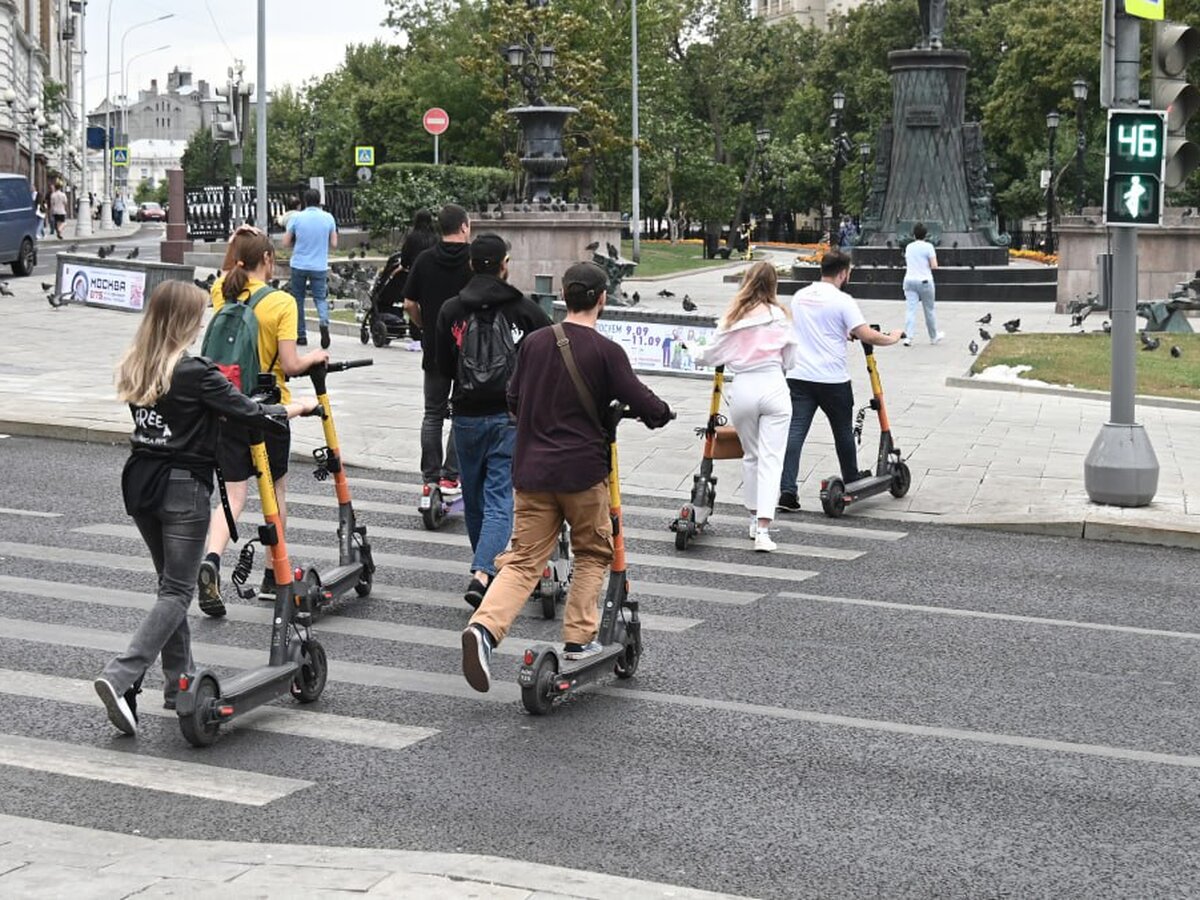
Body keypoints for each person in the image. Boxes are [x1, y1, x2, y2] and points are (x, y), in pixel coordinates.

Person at [94, 281, 315, 735]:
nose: (201, 322)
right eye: (196, 315)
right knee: (177, 592)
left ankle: (179, 684)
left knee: (168, 587)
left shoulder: (140, 363)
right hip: (181, 487)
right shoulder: (194, 370)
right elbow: (249, 412)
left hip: (140, 481)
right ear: (181, 322)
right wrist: (298, 409)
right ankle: (120, 676)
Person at [460, 261, 673, 693]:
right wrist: (661, 413)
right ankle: (578, 640)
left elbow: (513, 399)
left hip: (532, 471)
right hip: (582, 473)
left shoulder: (536, 343)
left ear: (564, 296)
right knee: (594, 552)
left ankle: (483, 630)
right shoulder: (606, 351)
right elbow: (643, 400)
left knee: (522, 562)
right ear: (601, 299)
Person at [196, 227, 330, 618]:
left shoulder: (224, 291)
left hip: (228, 405)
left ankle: (212, 561)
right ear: (268, 260)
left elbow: (225, 271)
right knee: (276, 491)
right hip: (270, 410)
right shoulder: (282, 303)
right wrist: (315, 358)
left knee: (233, 497)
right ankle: (275, 572)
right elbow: (290, 364)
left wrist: (235, 241)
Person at [434, 234, 551, 607]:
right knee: (500, 497)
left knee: (473, 498)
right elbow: (549, 350)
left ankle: (484, 569)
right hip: (509, 415)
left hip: (466, 416)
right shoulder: (524, 309)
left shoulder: (452, 309)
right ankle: (483, 570)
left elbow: (441, 365)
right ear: (505, 265)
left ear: (471, 264)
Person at [777, 250, 903, 513]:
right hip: (832, 379)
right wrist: (892, 337)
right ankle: (851, 477)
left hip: (799, 376)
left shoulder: (800, 296)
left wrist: (840, 331)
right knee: (843, 431)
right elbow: (865, 333)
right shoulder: (843, 300)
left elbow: (806, 328)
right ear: (844, 273)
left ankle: (787, 490)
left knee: (795, 433)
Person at [695, 262, 799, 552]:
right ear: (774, 284)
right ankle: (763, 529)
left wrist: (691, 351)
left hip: (743, 386)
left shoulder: (733, 317)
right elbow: (791, 359)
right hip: (774, 384)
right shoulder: (780, 316)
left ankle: (754, 517)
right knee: (772, 458)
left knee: (751, 455)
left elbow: (710, 354)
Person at [403, 203, 473, 496]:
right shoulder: (473, 260)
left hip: (434, 346)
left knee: (432, 413)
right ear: (464, 227)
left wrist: (424, 325)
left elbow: (409, 303)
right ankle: (450, 476)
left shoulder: (424, 260)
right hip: (468, 347)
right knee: (463, 412)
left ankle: (429, 478)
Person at [283, 188, 339, 349]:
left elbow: (286, 243)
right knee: (320, 298)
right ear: (319, 200)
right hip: (319, 265)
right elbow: (334, 244)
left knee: (298, 299)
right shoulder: (328, 218)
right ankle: (323, 321)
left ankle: (301, 335)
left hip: (299, 264)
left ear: (305, 201)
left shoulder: (297, 218)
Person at [902, 222, 943, 346]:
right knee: (929, 310)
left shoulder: (909, 247)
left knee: (910, 309)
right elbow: (934, 265)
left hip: (909, 280)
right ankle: (933, 336)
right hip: (925, 281)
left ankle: (908, 337)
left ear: (913, 234)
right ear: (926, 235)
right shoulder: (928, 247)